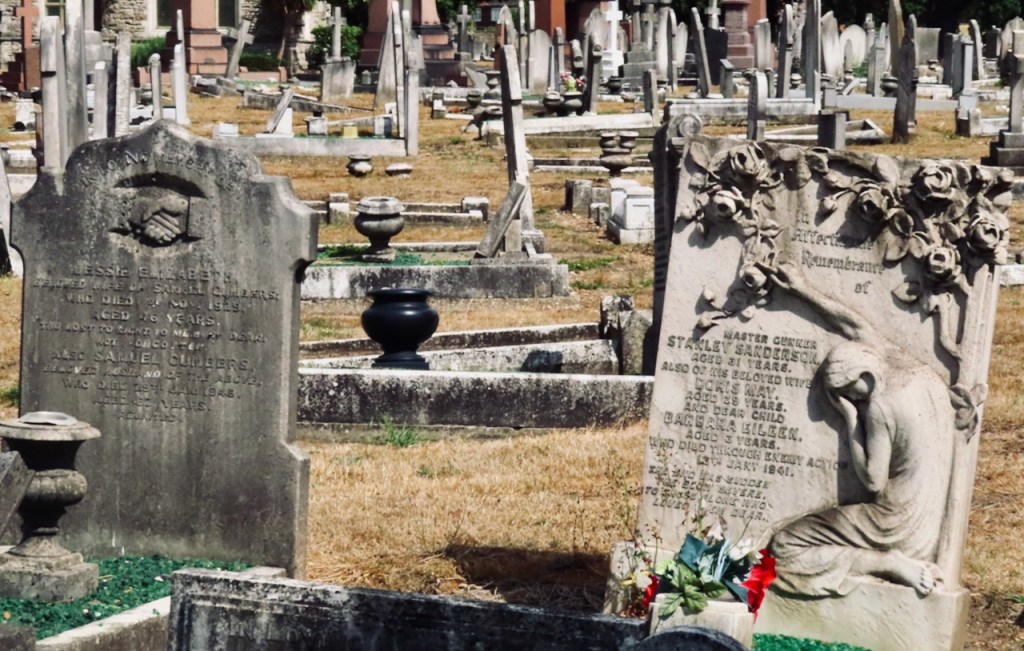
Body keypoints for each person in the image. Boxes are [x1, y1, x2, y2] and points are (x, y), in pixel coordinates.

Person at [762, 263, 955, 597]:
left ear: (865, 377)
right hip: (927, 524)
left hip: (893, 525)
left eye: (851, 393)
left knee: (785, 544)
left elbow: (873, 481)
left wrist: (851, 419)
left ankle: (885, 563)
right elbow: (855, 325)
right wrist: (802, 289)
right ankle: (886, 561)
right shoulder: (915, 370)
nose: (853, 400)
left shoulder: (880, 406)